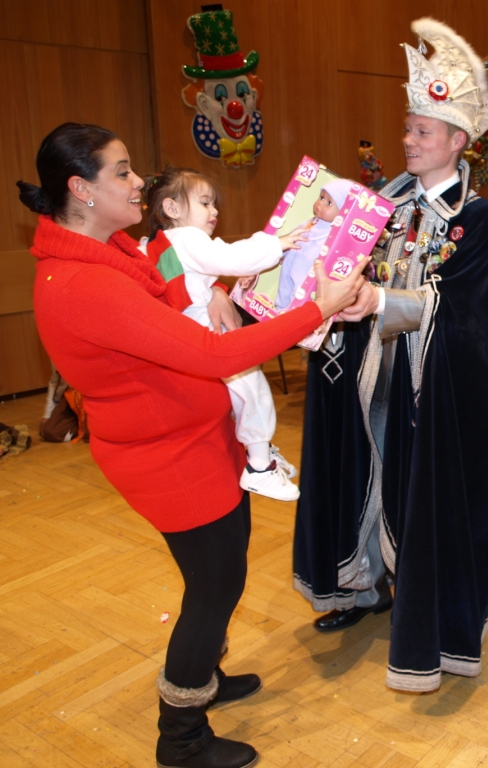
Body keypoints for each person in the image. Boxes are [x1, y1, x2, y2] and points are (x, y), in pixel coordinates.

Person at [20, 122, 364, 768]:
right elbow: (211, 355)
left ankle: (204, 674)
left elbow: (180, 294)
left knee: (219, 573)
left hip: (197, 439)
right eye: (122, 171)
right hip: (170, 460)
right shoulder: (85, 283)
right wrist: (316, 309)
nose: (138, 182)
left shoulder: (114, 252)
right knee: (214, 587)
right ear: (81, 190)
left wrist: (225, 295)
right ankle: (180, 736)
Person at [298, 18, 488, 693]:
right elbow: (336, 263)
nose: (409, 140)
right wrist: (322, 232)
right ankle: (362, 585)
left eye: (422, 131)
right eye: (408, 128)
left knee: (419, 494)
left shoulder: (481, 218)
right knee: (366, 473)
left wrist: (380, 301)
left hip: (432, 383)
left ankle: (426, 616)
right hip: (367, 371)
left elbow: (459, 303)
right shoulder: (380, 205)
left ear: (458, 140)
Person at [140, 167, 310, 501]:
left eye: (214, 203)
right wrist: (278, 243)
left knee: (242, 393)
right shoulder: (187, 237)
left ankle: (260, 452)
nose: (214, 210)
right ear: (171, 209)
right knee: (253, 387)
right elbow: (231, 258)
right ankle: (259, 467)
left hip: (188, 330)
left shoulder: (156, 244)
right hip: (206, 331)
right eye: (205, 203)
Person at [275, 181, 350, 309]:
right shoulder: (311, 222)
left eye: (329, 203)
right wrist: (283, 252)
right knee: (284, 288)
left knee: (299, 294)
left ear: (342, 211)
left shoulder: (335, 234)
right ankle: (280, 309)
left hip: (307, 270)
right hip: (291, 263)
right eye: (321, 197)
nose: (320, 203)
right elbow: (291, 238)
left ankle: (293, 313)